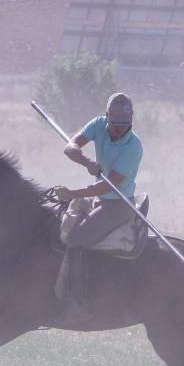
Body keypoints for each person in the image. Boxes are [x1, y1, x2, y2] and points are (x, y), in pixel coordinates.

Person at [53, 93, 143, 322]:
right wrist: (87, 162)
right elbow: (70, 147)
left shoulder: (133, 147)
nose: (119, 130)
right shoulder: (97, 125)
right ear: (106, 118)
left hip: (118, 205)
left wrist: (72, 194)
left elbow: (105, 187)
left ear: (130, 122)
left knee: (77, 239)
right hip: (100, 198)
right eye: (115, 125)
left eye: (124, 126)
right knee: (58, 224)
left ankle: (77, 304)